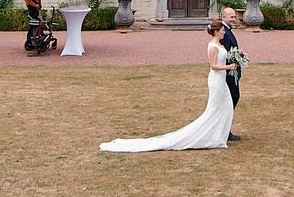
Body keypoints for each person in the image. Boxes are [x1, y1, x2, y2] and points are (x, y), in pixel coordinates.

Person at [100, 20, 235, 152]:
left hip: (221, 80)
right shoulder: (213, 46)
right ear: (216, 32)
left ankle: (218, 134)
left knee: (226, 106)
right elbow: (213, 66)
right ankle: (210, 136)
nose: (224, 33)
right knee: (215, 108)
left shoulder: (219, 44)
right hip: (216, 80)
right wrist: (229, 66)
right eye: (222, 31)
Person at [219, 6, 243, 142]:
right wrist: (234, 62)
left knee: (233, 98)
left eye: (234, 17)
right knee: (231, 99)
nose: (234, 19)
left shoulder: (227, 30)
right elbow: (225, 53)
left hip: (232, 71)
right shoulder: (224, 33)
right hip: (228, 73)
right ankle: (224, 130)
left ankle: (224, 129)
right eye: (231, 17)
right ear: (224, 18)